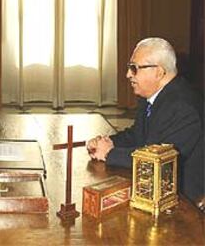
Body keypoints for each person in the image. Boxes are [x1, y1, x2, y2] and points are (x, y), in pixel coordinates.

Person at [87, 37, 204, 209]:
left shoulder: (183, 106)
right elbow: (137, 134)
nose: (128, 75)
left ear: (158, 72)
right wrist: (108, 142)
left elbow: (161, 163)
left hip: (181, 199)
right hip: (155, 188)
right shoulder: (154, 95)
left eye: (134, 68)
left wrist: (110, 154)